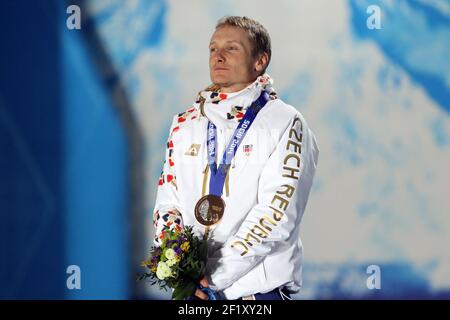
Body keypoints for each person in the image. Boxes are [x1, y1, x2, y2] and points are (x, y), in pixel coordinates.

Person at [152, 16, 319, 300]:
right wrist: (181, 272)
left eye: (232, 48)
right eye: (213, 48)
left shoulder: (286, 122)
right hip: (195, 294)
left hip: (255, 295)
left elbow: (275, 216)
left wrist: (209, 280)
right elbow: (168, 204)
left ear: (260, 61)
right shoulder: (184, 124)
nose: (218, 55)